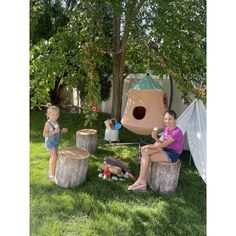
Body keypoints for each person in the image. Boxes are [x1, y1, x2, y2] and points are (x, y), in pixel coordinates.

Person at [128, 109, 184, 191]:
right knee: (145, 153)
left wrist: (148, 146)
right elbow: (161, 143)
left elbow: (163, 145)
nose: (167, 121)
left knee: (146, 155)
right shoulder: (166, 129)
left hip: (172, 154)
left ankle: (141, 181)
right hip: (165, 149)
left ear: (175, 120)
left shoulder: (176, 132)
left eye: (170, 119)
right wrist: (155, 137)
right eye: (165, 119)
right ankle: (142, 182)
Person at [43, 106, 68, 181]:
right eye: (52, 115)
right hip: (50, 143)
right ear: (48, 114)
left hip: (55, 142)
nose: (54, 116)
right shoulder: (48, 124)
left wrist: (62, 131)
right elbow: (44, 134)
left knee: (53, 157)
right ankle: (52, 175)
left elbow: (57, 131)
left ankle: (52, 171)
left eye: (56, 115)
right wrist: (53, 132)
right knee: (54, 157)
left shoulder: (56, 122)